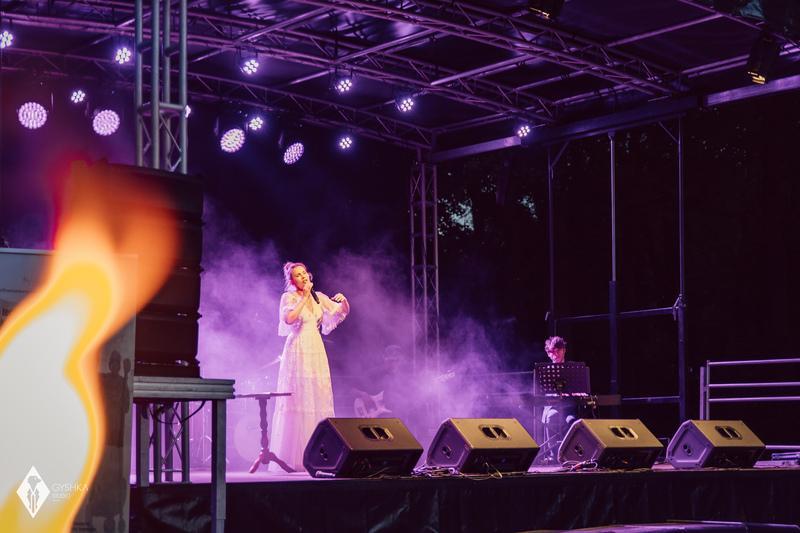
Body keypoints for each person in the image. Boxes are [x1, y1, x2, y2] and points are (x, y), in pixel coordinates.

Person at [269, 262, 350, 472]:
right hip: (298, 348)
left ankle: (320, 454)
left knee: (317, 396)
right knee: (299, 398)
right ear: (292, 280)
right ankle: (295, 457)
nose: (303, 277)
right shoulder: (289, 298)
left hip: (315, 348)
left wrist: (343, 301)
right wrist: (304, 296)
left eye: (304, 273)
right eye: (298, 275)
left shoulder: (318, 297)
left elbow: (339, 312)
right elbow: (288, 319)